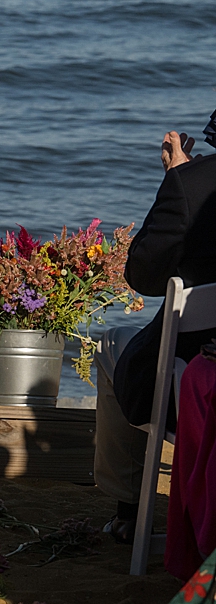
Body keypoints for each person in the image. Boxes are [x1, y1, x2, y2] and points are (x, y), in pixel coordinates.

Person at [95, 117, 216, 542]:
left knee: (112, 343)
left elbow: (142, 277)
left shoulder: (193, 185)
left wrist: (176, 178)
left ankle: (129, 514)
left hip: (192, 387)